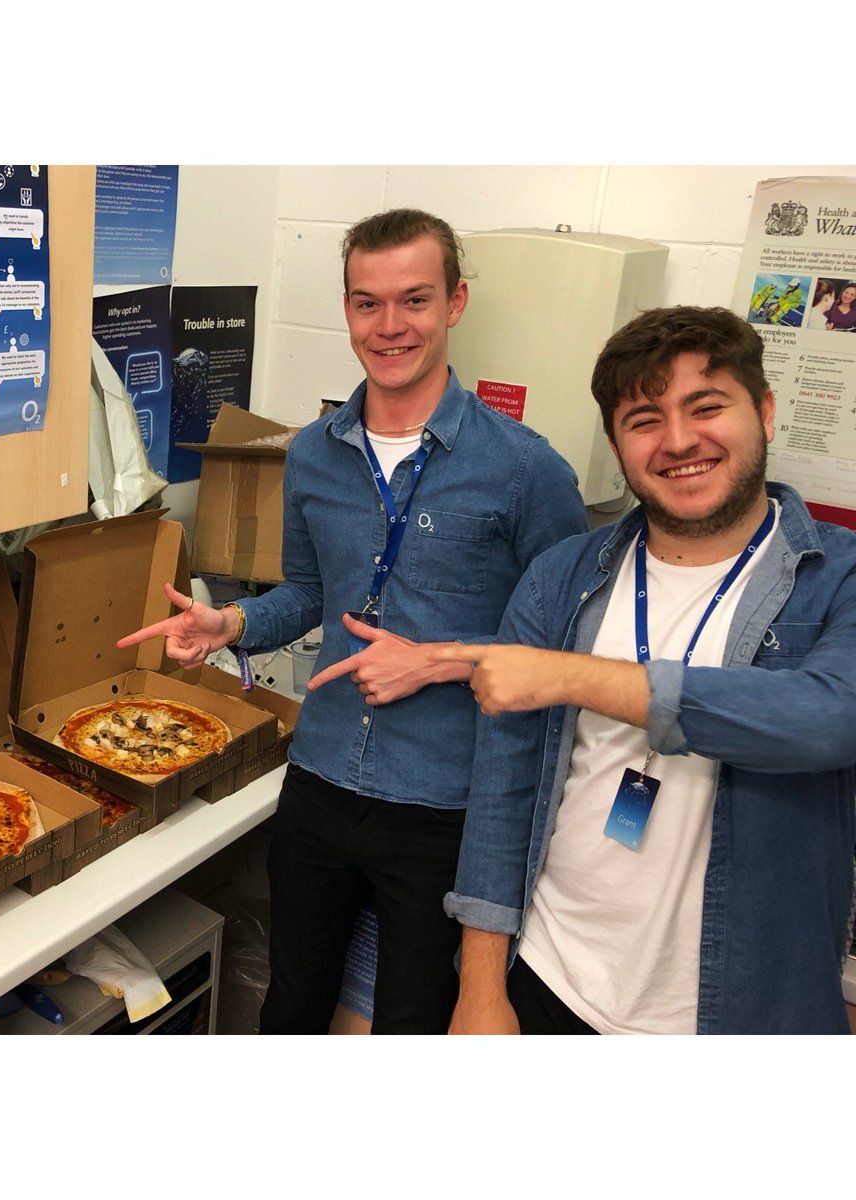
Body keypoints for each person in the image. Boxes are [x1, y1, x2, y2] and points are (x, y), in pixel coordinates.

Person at [117, 208, 586, 1033]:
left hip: (445, 802)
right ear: (346, 310)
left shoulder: (524, 469)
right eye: (367, 303)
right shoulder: (312, 453)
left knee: (411, 1021)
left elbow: (567, 650)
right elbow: (307, 593)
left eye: (414, 299)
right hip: (322, 778)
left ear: (456, 303)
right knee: (292, 1004)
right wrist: (232, 623)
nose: (390, 325)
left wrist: (438, 661)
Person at [441, 306, 856, 1035]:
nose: (679, 441)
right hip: (549, 976)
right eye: (644, 419)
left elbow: (828, 719)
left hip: (741, 1009)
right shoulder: (560, 577)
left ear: (763, 410)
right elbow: (502, 794)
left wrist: (570, 676)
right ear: (616, 443)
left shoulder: (838, 575)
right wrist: (481, 988)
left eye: (707, 406)